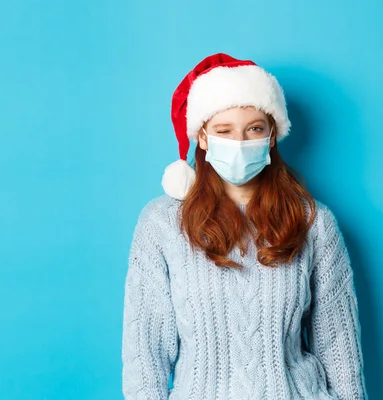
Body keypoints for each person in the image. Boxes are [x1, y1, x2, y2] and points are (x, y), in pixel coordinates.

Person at [121, 53, 368, 400]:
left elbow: (339, 349)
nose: (240, 142)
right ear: (203, 137)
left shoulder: (314, 222)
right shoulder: (161, 225)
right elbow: (145, 356)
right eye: (224, 130)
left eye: (254, 128)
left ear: (271, 136)